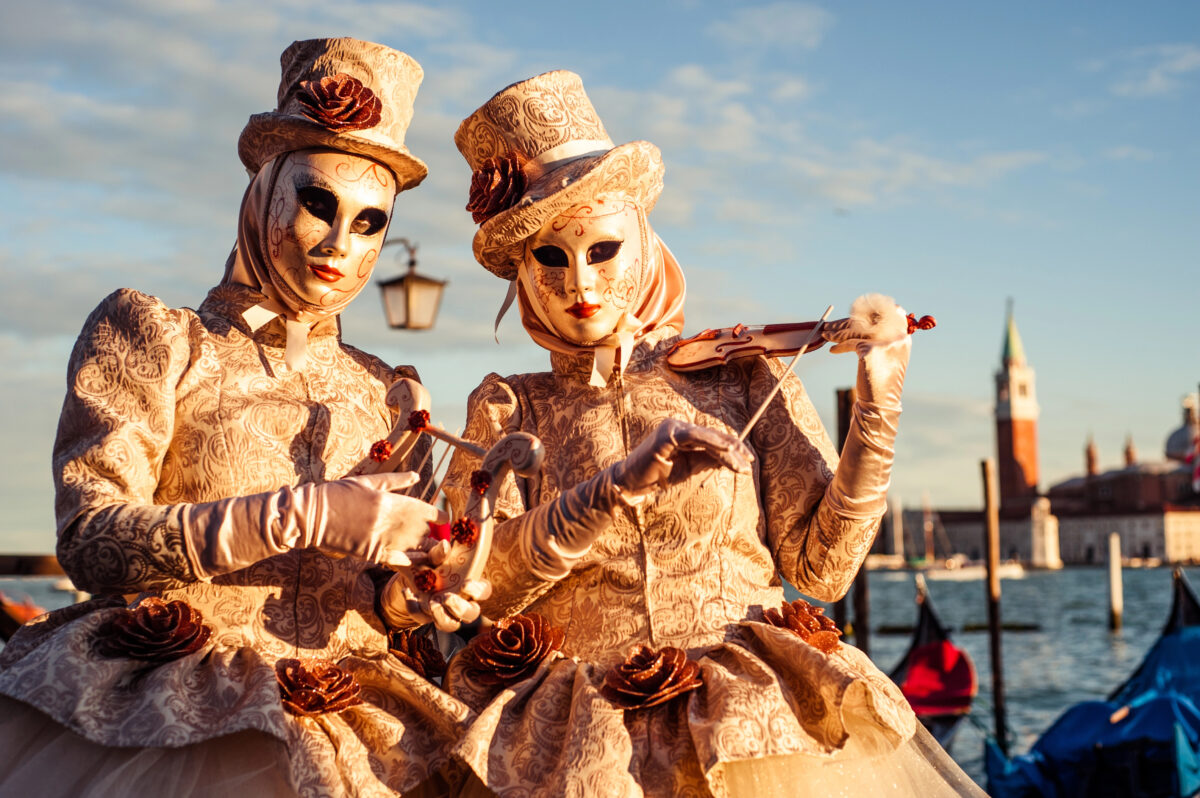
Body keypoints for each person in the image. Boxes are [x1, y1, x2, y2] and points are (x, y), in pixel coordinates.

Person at [440, 71, 985, 797]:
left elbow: (823, 570)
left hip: (752, 725)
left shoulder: (740, 377)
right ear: (521, 274)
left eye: (602, 250)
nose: (580, 284)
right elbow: (479, 589)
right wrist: (601, 498)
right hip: (577, 749)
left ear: (642, 240)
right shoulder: (509, 410)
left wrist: (877, 408)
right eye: (550, 257)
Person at [0, 38, 473, 797]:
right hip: (173, 725)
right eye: (318, 203)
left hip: (358, 733)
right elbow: (91, 544)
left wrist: (406, 597)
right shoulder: (158, 339)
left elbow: (387, 594)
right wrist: (307, 513)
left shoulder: (389, 389)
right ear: (264, 190)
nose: (337, 245)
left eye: (369, 223)